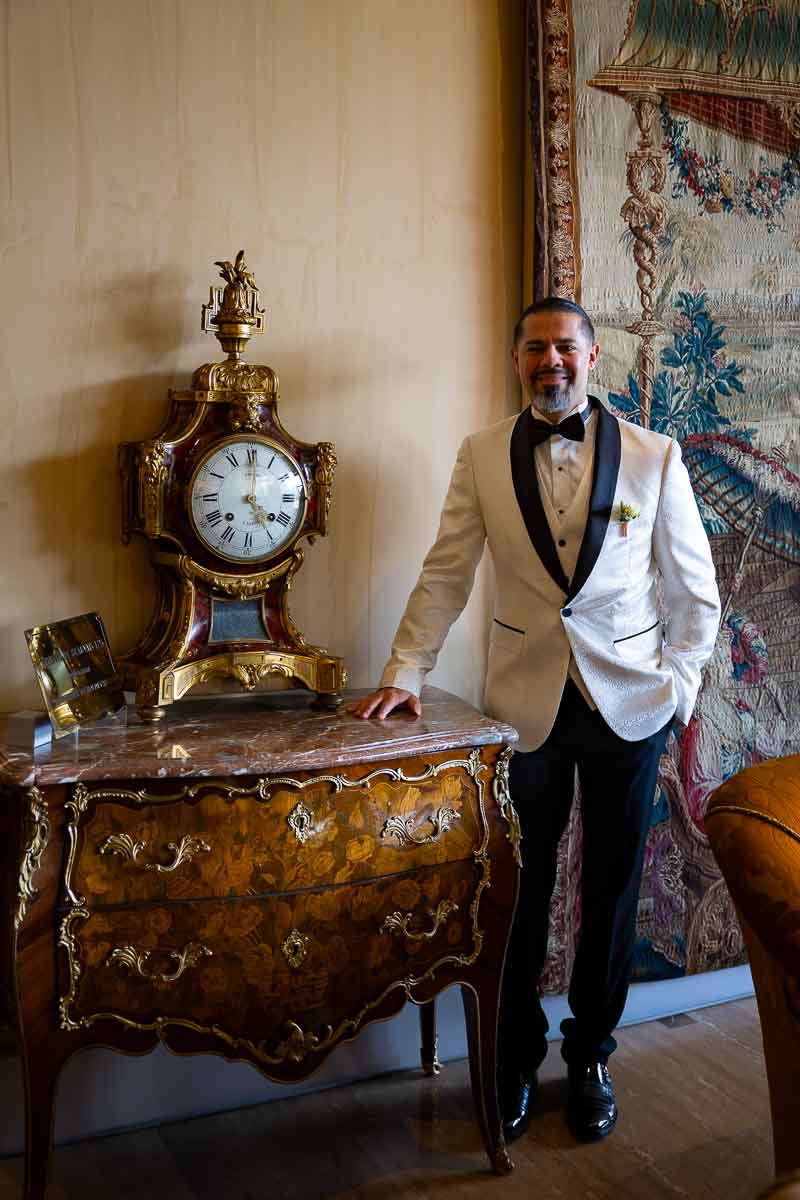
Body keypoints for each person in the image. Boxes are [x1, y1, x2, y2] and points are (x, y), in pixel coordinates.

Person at [348, 297, 720, 1145]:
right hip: (524, 707)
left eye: (565, 347)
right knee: (520, 891)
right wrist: (406, 671)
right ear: (516, 358)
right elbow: (448, 569)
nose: (550, 361)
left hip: (631, 705)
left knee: (612, 891)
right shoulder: (480, 454)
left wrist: (681, 688)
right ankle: (516, 1057)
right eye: (534, 348)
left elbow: (694, 589)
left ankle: (591, 1055)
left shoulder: (656, 457)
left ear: (593, 357)